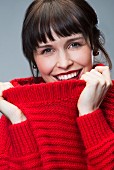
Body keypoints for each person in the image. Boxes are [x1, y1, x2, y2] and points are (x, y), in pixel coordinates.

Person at [0, 0, 114, 169]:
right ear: (33, 59)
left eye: (74, 44)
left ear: (93, 44)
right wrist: (19, 121)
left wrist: (90, 114)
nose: (64, 63)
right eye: (47, 50)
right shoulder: (14, 111)